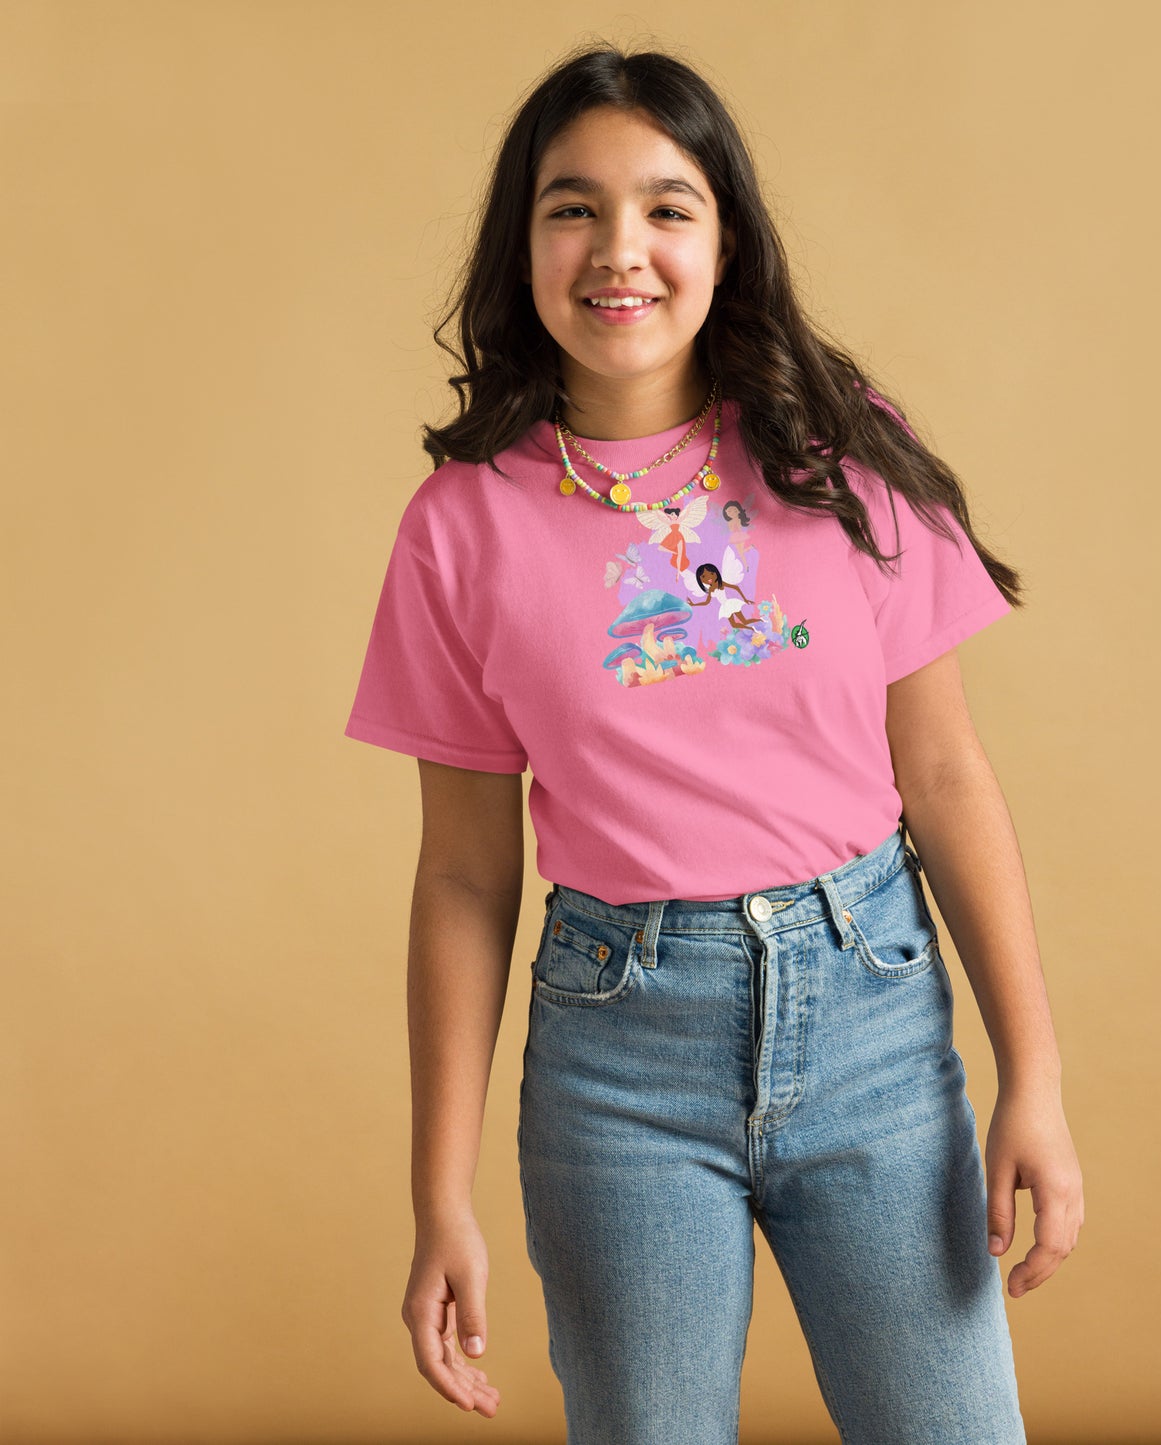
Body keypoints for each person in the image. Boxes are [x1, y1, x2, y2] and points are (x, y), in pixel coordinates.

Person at [343, 41, 1083, 1445]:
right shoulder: (458, 528)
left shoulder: (838, 451)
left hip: (872, 1012)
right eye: (573, 207)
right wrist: (439, 1192)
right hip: (620, 1055)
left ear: (724, 240)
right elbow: (461, 877)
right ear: (522, 242)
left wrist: (1030, 1075)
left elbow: (942, 777)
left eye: (666, 207)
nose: (619, 248)